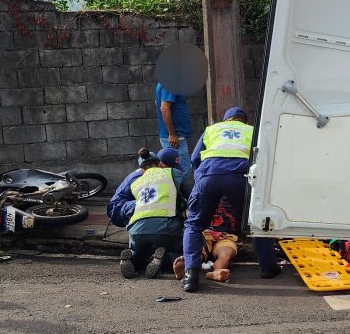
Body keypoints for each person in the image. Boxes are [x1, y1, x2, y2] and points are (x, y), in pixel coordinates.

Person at [181, 107, 278, 292]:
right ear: (243, 120)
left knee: (194, 225)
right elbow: (264, 159)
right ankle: (268, 267)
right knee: (255, 221)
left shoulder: (212, 129)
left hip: (209, 175)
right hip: (240, 176)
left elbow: (195, 158)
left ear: (226, 120)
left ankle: (190, 275)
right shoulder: (252, 130)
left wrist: (201, 177)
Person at [107, 148, 189, 279]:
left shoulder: (137, 182)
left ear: (143, 169)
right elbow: (190, 196)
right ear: (160, 164)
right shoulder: (173, 173)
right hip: (166, 228)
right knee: (179, 248)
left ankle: (133, 260)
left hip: (136, 229)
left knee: (140, 254)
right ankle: (166, 259)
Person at [155, 82, 192, 180]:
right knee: (183, 171)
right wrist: (172, 133)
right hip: (175, 137)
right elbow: (164, 108)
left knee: (177, 172)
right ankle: (176, 195)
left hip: (175, 135)